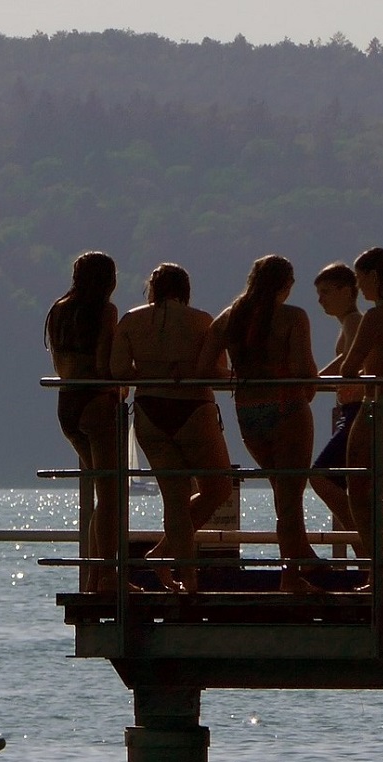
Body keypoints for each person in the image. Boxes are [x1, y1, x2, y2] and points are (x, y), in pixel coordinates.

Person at [200, 255, 321, 593]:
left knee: (283, 494)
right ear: (286, 284)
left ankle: (299, 560)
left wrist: (240, 377)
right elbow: (303, 368)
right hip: (287, 406)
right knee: (291, 495)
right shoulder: (293, 317)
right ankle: (292, 576)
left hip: (249, 412)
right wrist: (306, 393)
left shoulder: (229, 318)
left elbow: (204, 366)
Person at [113, 263, 233, 592]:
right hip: (193, 406)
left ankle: (181, 572)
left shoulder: (130, 321)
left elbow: (119, 370)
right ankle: (174, 562)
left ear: (153, 288)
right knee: (219, 488)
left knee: (174, 499)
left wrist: (153, 373)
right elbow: (214, 370)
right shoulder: (201, 320)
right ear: (185, 289)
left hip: (151, 409)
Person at [45, 252, 123, 591]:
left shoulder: (59, 309)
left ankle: (96, 575)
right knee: (111, 496)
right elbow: (105, 364)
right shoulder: (105, 311)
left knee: (99, 492)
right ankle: (102, 575)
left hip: (67, 404)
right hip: (96, 402)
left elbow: (61, 364)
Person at [341, 247, 383, 591]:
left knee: (359, 486)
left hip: (379, 404)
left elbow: (350, 367)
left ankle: (376, 566)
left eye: (361, 278)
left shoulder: (377, 316)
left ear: (374, 276)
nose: (359, 287)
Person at [310, 263, 365, 532]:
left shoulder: (355, 321)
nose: (321, 299)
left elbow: (352, 359)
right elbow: (345, 359)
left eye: (326, 292)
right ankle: (369, 551)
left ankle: (362, 538)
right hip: (350, 412)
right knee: (359, 488)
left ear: (347, 291)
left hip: (357, 412)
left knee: (321, 477)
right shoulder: (347, 324)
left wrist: (314, 382)